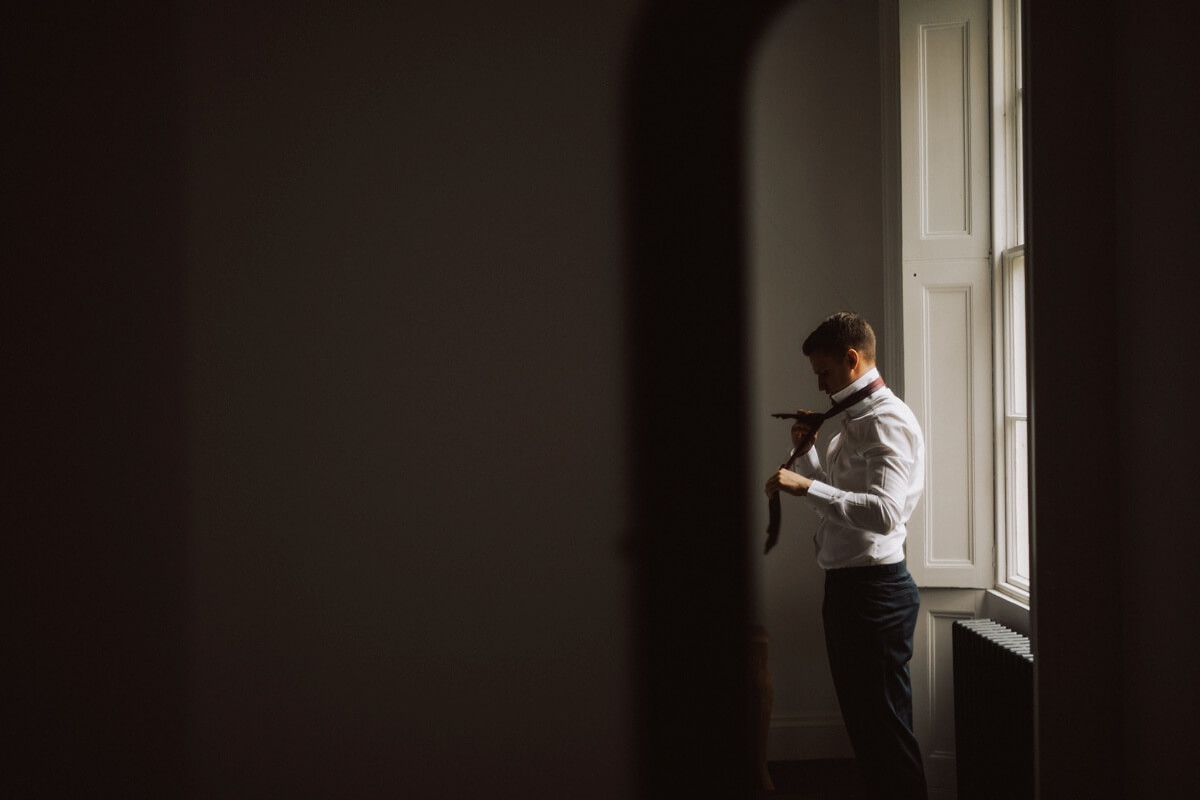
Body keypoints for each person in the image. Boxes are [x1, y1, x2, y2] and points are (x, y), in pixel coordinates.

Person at [764, 311, 927, 799]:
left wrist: (806, 484)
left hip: (875, 597)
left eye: (825, 373)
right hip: (849, 591)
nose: (820, 386)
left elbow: (883, 515)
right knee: (868, 735)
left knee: (887, 737)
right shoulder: (854, 424)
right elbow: (846, 506)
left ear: (852, 359)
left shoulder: (886, 422)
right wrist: (810, 455)